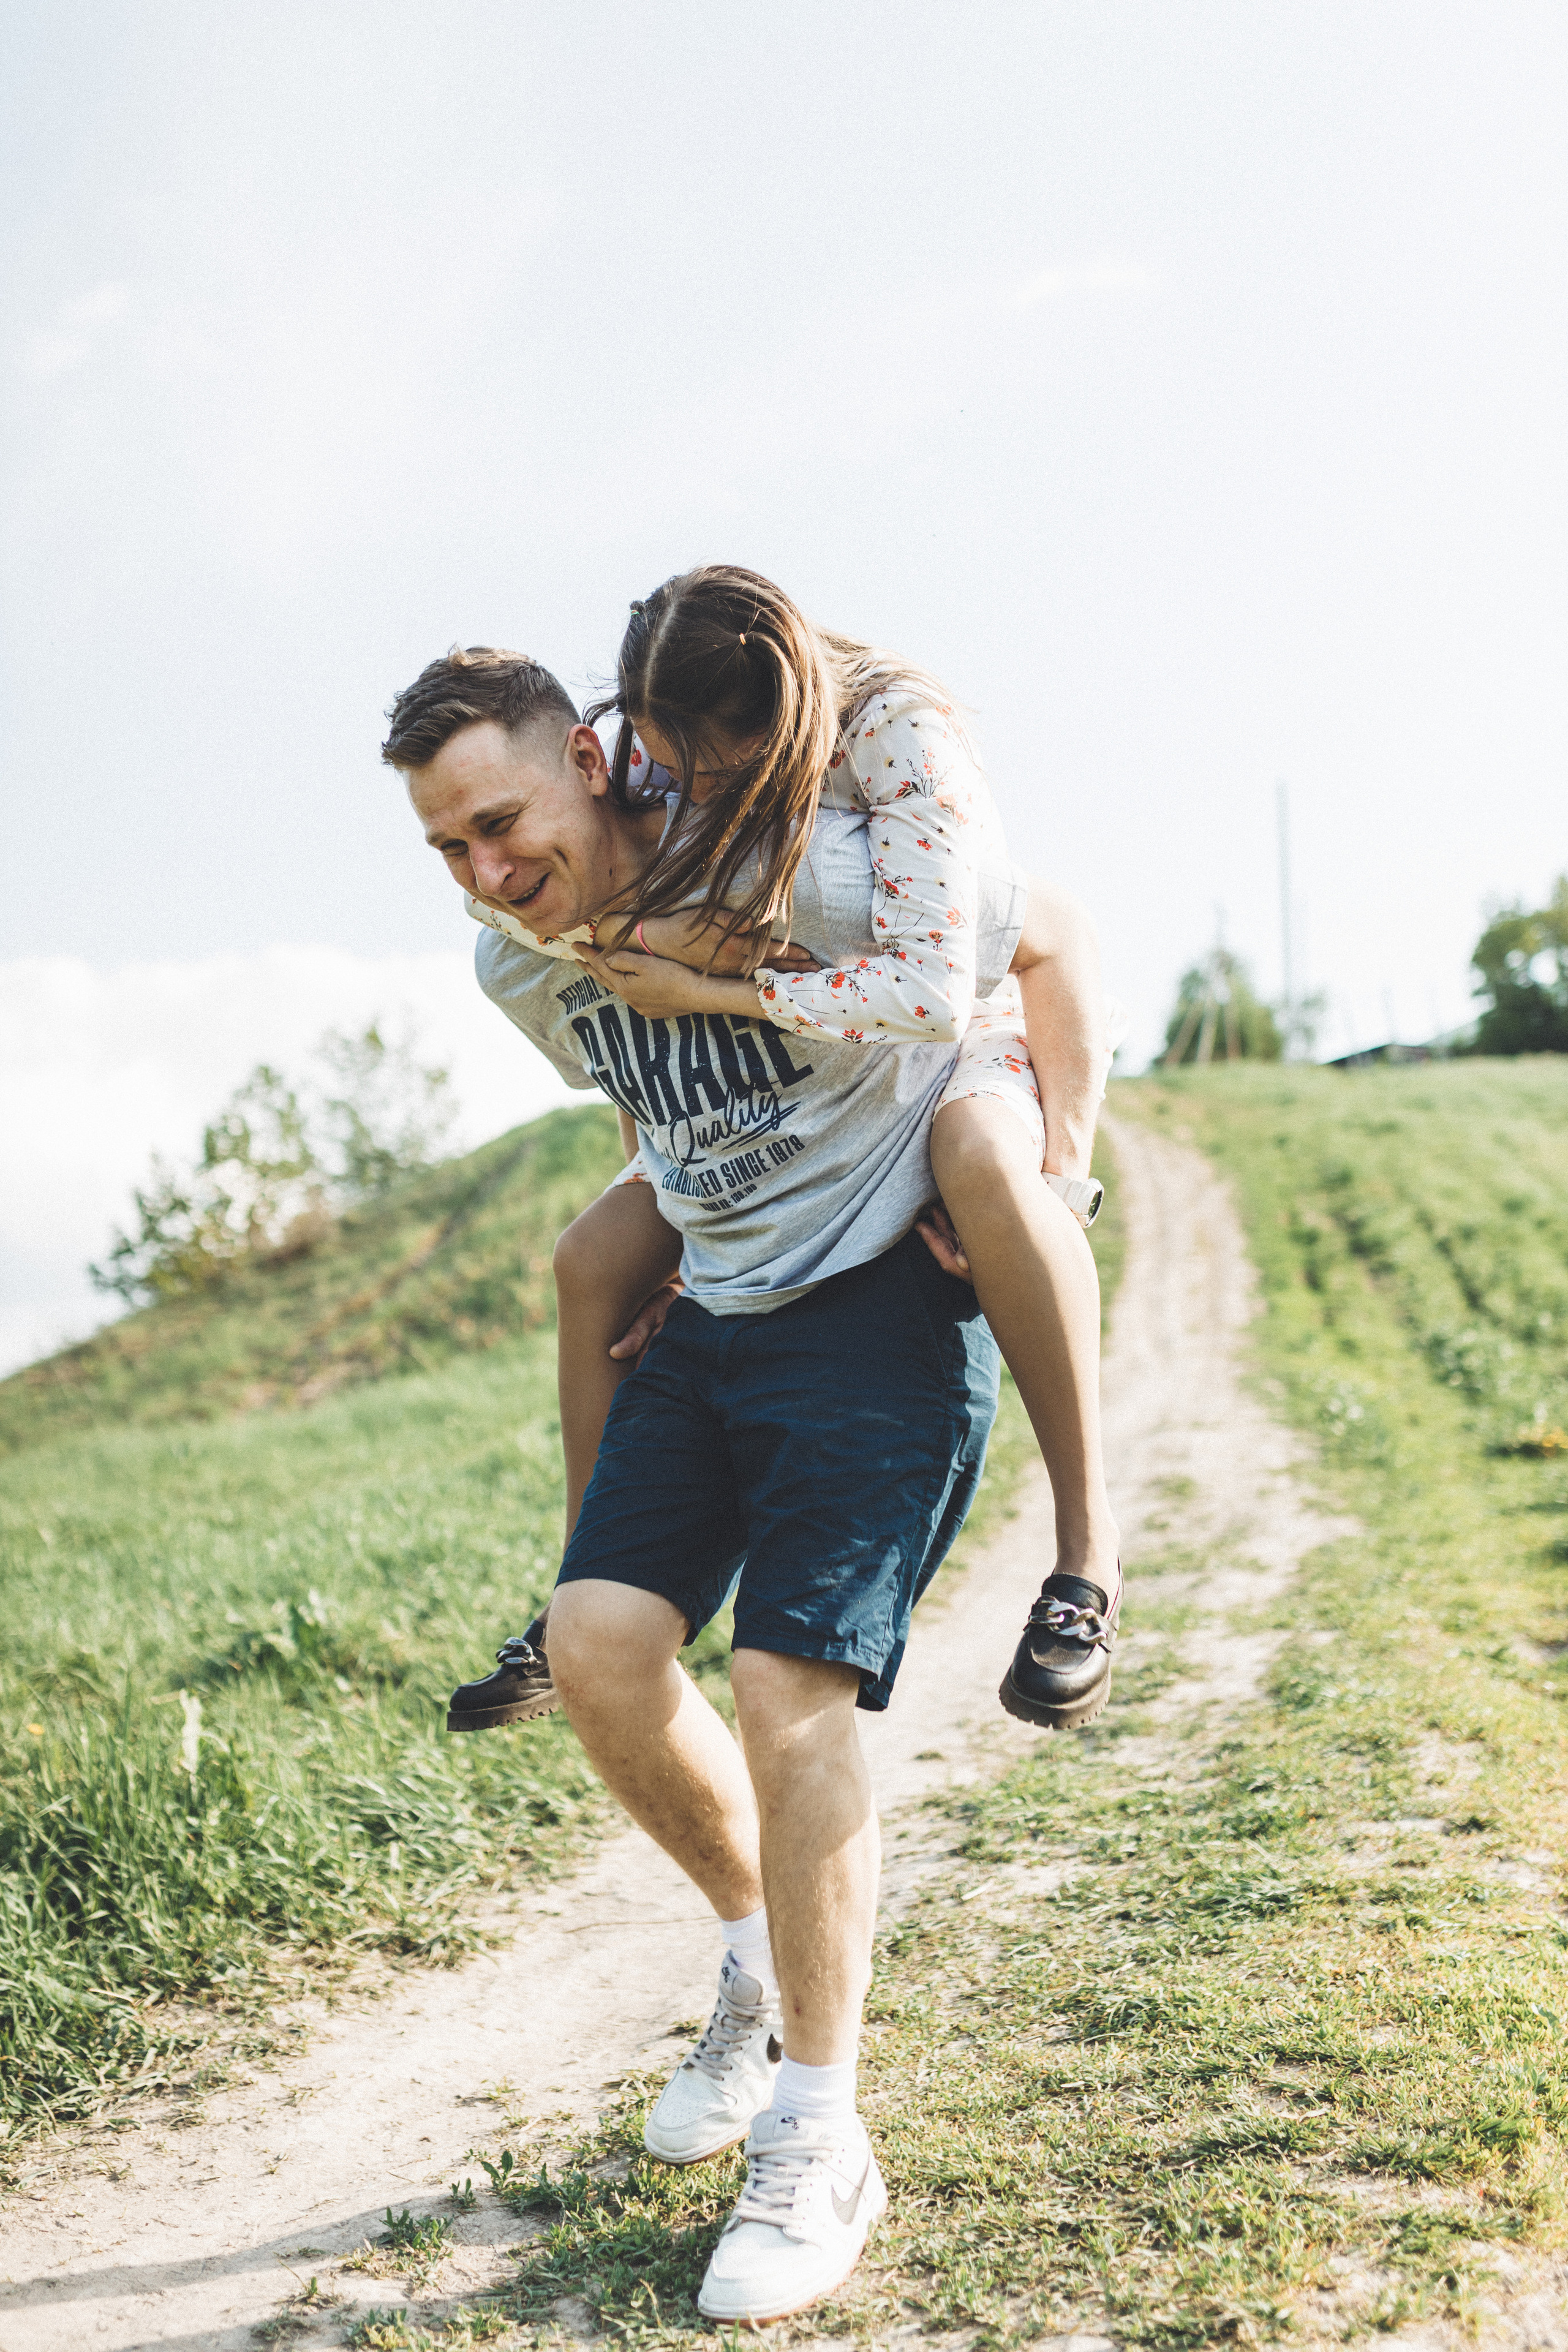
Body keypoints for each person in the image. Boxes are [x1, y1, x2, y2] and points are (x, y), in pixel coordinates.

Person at [379, 606, 1111, 2327]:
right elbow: (650, 1096)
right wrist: (673, 1228)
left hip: (876, 1304)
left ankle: (821, 2130)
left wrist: (1046, 1158)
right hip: (713, 1314)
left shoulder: (794, 867)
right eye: (447, 848)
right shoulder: (515, 965)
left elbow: (1048, 933)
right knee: (602, 1650)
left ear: (591, 758)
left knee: (789, 1693)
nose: (487, 870)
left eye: (502, 823)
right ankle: (749, 1950)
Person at [440, 568, 1120, 1748]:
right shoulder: (650, 764)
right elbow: (639, 1063)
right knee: (594, 1254)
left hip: (953, 1027)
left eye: (718, 774)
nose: (693, 801)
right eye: (668, 768)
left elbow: (1041, 944)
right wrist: (684, 1207)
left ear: (778, 733)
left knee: (985, 1169)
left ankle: (1088, 1553)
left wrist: (1066, 1170)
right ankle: (570, 1600)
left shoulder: (899, 750)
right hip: (790, 1035)